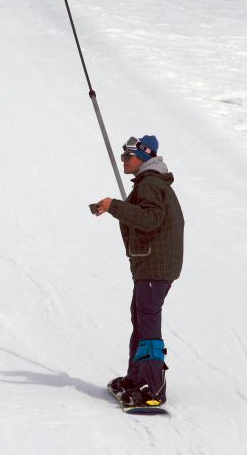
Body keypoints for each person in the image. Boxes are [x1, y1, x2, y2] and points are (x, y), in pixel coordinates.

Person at [93, 135, 184, 408]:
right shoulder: (149, 184)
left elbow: (149, 220)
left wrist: (115, 206)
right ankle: (136, 378)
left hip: (155, 267)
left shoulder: (151, 184)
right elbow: (143, 215)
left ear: (142, 158)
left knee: (147, 325)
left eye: (127, 156)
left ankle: (153, 389)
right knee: (140, 320)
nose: (123, 160)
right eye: (122, 156)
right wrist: (112, 209)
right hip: (151, 266)